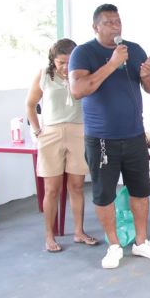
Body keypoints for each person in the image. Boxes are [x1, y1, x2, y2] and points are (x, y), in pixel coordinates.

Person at [69, 4, 150, 269]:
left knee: (141, 191)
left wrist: (148, 75)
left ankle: (141, 242)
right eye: (109, 22)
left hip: (134, 135)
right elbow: (78, 90)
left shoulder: (133, 50)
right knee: (104, 195)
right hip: (102, 138)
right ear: (95, 27)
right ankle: (113, 246)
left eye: (118, 21)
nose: (116, 26)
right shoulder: (83, 53)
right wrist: (112, 65)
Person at [25, 39, 96, 252]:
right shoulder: (44, 75)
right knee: (52, 189)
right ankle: (49, 236)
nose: (66, 67)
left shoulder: (82, 73)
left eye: (69, 61)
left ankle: (79, 232)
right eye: (61, 62)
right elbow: (30, 104)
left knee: (76, 186)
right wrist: (38, 131)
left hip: (78, 132)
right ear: (52, 61)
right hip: (51, 134)